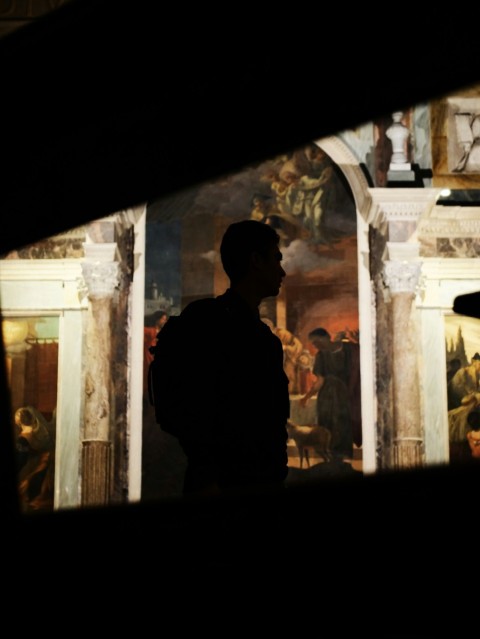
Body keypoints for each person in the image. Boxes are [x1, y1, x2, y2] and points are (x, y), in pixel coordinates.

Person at [166, 219, 290, 496]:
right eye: (276, 259)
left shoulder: (251, 332)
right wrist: (209, 473)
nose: (282, 271)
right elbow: (195, 406)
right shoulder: (214, 324)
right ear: (256, 260)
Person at [300, 327, 353, 460]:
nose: (314, 345)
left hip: (338, 395)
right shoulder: (323, 355)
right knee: (329, 424)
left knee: (339, 423)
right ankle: (333, 458)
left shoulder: (346, 350)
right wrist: (306, 397)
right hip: (334, 396)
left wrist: (306, 397)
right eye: (313, 343)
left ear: (325, 338)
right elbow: (319, 382)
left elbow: (320, 382)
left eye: (315, 342)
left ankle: (339, 458)